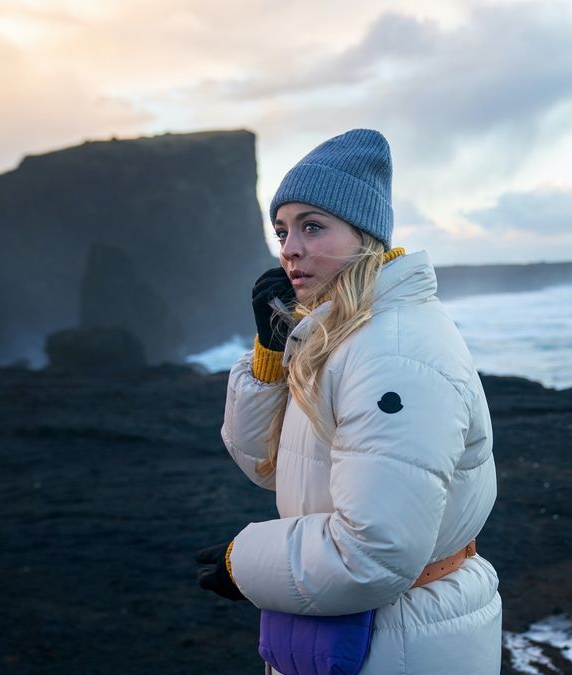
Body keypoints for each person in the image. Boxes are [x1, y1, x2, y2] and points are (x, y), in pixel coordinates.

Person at [194, 129, 502, 674]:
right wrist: (270, 355)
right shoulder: (338, 336)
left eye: (313, 226)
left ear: (365, 236)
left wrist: (242, 563)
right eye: (283, 230)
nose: (290, 248)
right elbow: (272, 468)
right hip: (368, 633)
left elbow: (373, 553)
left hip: (402, 641)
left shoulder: (393, 353)